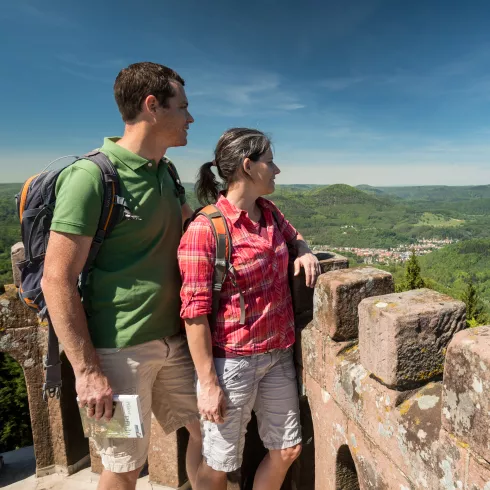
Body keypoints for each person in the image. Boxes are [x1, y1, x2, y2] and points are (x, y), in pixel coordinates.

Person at [42, 62, 201, 490]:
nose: (190, 118)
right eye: (183, 107)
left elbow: (193, 233)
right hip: (115, 352)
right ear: (152, 106)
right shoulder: (91, 178)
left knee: (212, 432)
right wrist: (87, 370)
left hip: (175, 340)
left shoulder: (166, 172)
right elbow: (55, 278)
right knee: (124, 465)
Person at [178, 128, 321, 490]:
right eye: (270, 162)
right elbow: (194, 313)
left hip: (277, 355)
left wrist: (303, 251)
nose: (276, 170)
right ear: (248, 166)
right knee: (219, 463)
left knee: (287, 450)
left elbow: (294, 234)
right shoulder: (206, 229)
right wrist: (208, 384)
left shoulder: (269, 213)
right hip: (232, 363)